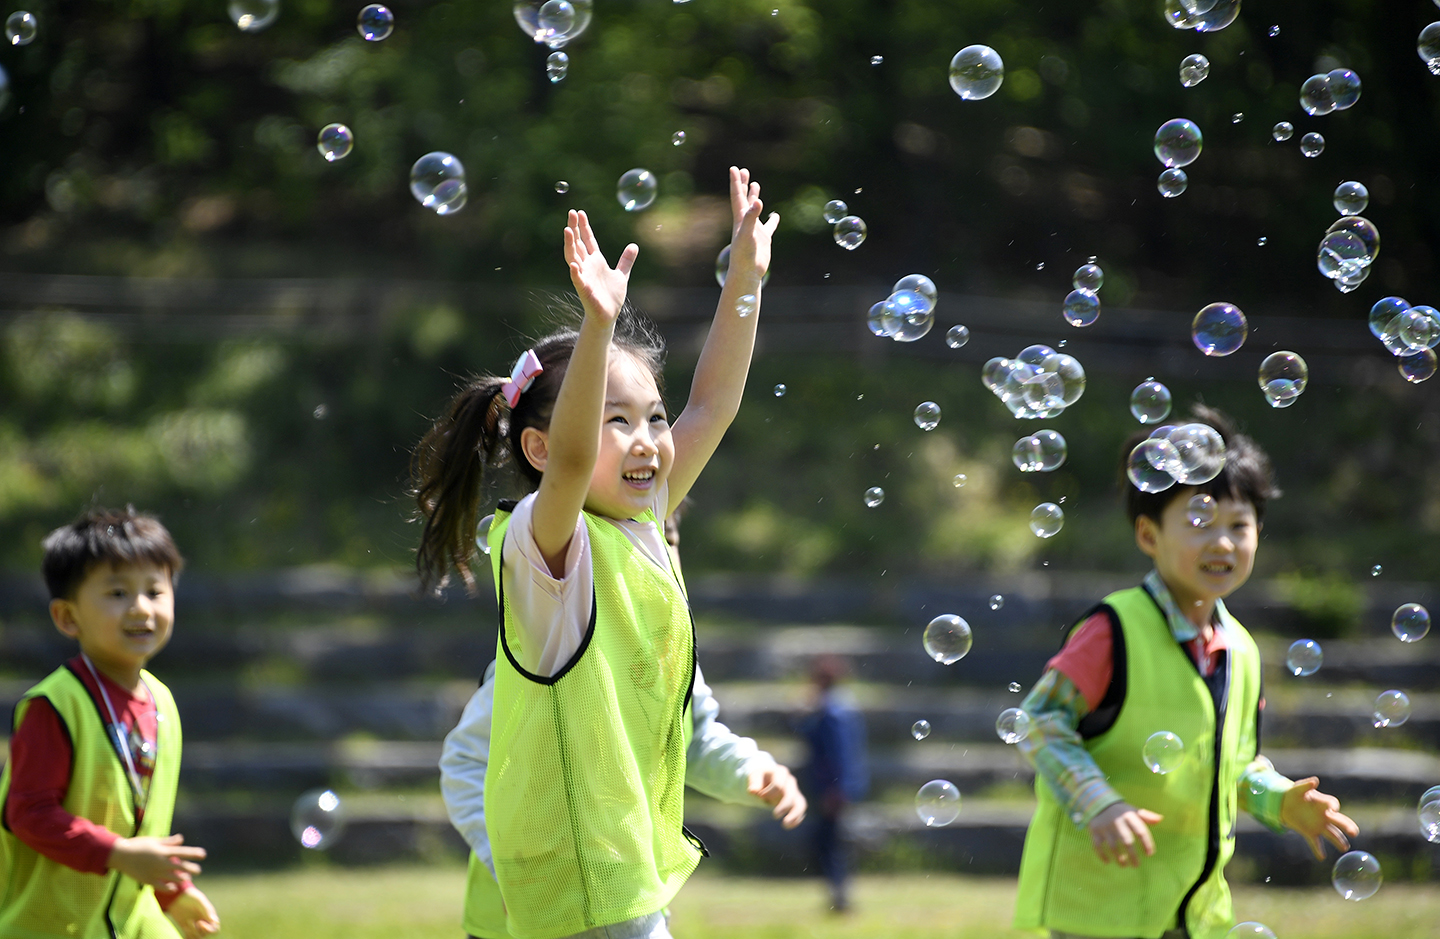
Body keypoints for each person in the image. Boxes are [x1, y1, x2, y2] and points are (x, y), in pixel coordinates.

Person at [410, 166, 779, 939]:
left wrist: (745, 280)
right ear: (539, 447)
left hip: (611, 872)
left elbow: (714, 403)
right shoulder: (545, 550)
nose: (649, 440)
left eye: (653, 416)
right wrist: (599, 326)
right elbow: (573, 468)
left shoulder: (641, 523)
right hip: (581, 881)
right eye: (619, 420)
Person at [1013, 407, 1359, 939]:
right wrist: (1097, 801)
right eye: (1200, 522)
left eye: (1238, 525)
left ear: (1258, 533)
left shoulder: (1241, 650)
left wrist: (1280, 800)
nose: (1222, 542)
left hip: (1193, 912)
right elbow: (1039, 721)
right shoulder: (1115, 629)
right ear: (1148, 535)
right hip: (1097, 910)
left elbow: (1234, 766)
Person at [0, 507, 220, 939]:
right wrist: (116, 853)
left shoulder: (163, 703)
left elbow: (140, 823)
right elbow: (28, 813)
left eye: (155, 591)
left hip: (134, 921)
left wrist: (172, 891)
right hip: (51, 927)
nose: (140, 608)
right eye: (117, 593)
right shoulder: (56, 705)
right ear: (67, 617)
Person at [798, 655, 868, 914]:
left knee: (830, 843)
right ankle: (839, 895)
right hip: (836, 786)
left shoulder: (831, 711)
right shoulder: (843, 706)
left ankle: (840, 896)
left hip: (832, 788)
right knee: (830, 841)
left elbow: (838, 753)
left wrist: (836, 789)